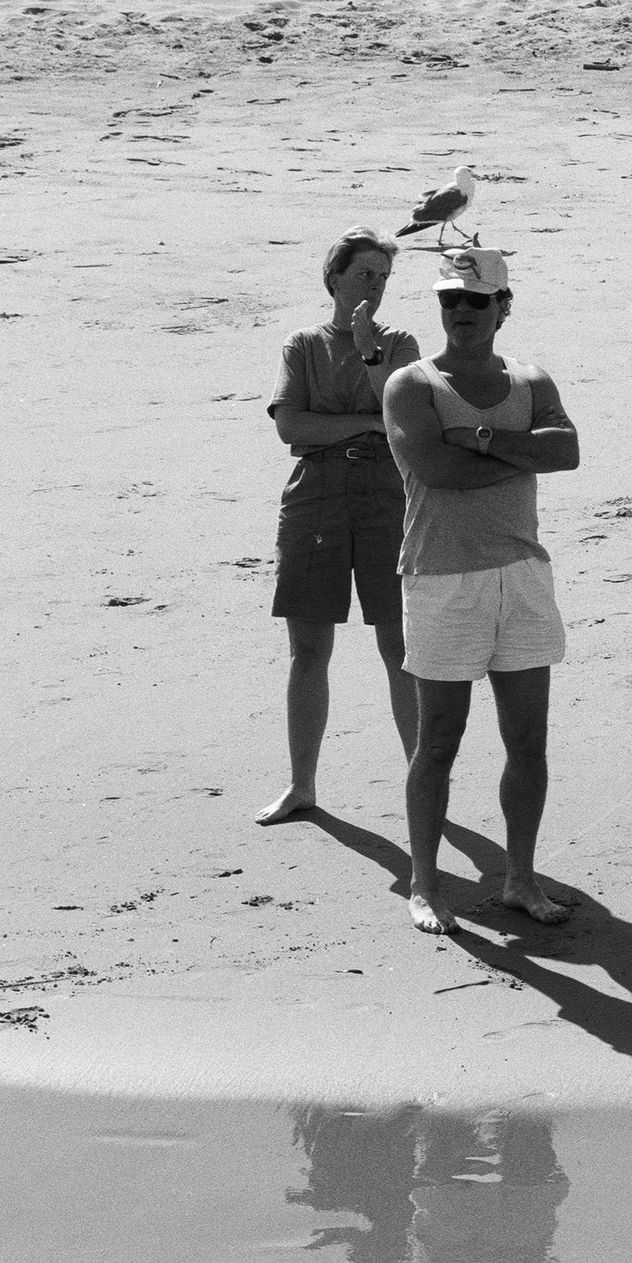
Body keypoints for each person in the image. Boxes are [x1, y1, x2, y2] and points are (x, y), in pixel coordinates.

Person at [383, 250, 581, 933]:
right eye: (449, 300)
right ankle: (424, 883)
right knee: (438, 740)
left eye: (474, 300)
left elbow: (567, 452)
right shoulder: (412, 384)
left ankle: (520, 879)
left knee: (528, 740)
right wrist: (518, 451)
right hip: (441, 577)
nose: (460, 312)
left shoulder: (530, 379)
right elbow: (439, 471)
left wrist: (483, 436)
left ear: (502, 306)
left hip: (521, 573)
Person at [259, 228, 422, 827]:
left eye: (382, 277)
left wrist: (370, 357)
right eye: (363, 275)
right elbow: (291, 426)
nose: (374, 287)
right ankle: (302, 785)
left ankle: (422, 782)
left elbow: (402, 415)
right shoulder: (304, 344)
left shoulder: (400, 343)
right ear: (334, 279)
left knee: (399, 646)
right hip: (316, 497)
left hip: (386, 496)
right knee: (308, 648)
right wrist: (366, 424)